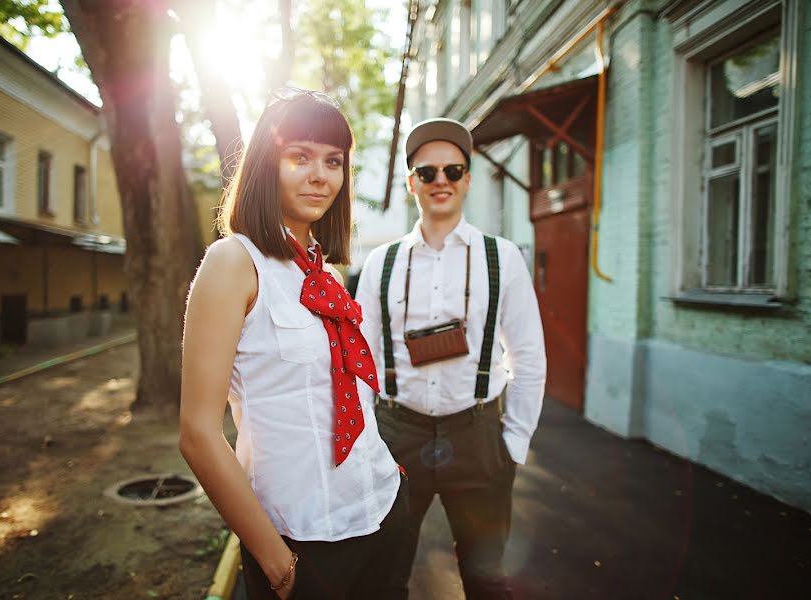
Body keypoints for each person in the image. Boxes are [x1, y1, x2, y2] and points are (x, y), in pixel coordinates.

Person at [179, 88, 407, 600]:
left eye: (333, 161)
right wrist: (277, 564)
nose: (320, 175)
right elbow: (197, 433)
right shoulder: (232, 263)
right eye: (299, 156)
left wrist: (389, 470)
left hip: (382, 510)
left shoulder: (323, 271)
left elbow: (344, 390)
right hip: (304, 540)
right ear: (266, 164)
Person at [355, 118, 546, 599]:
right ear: (410, 182)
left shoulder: (501, 258)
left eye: (453, 170)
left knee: (486, 580)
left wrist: (513, 442)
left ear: (468, 178)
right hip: (398, 436)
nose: (440, 180)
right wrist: (367, 440)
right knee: (383, 577)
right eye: (427, 172)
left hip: (477, 436)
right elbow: (361, 360)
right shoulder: (382, 262)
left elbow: (527, 354)